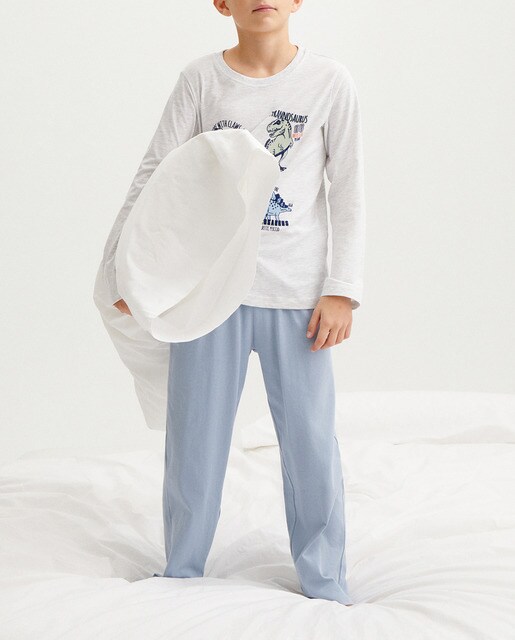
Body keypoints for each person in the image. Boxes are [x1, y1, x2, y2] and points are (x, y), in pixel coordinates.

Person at [100, 0, 365, 606]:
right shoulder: (201, 79)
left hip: (298, 296)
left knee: (310, 442)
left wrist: (342, 289)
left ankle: (325, 580)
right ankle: (182, 568)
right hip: (208, 290)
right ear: (221, 3)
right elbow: (155, 171)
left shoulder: (329, 81)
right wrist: (123, 266)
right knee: (195, 436)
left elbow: (348, 187)